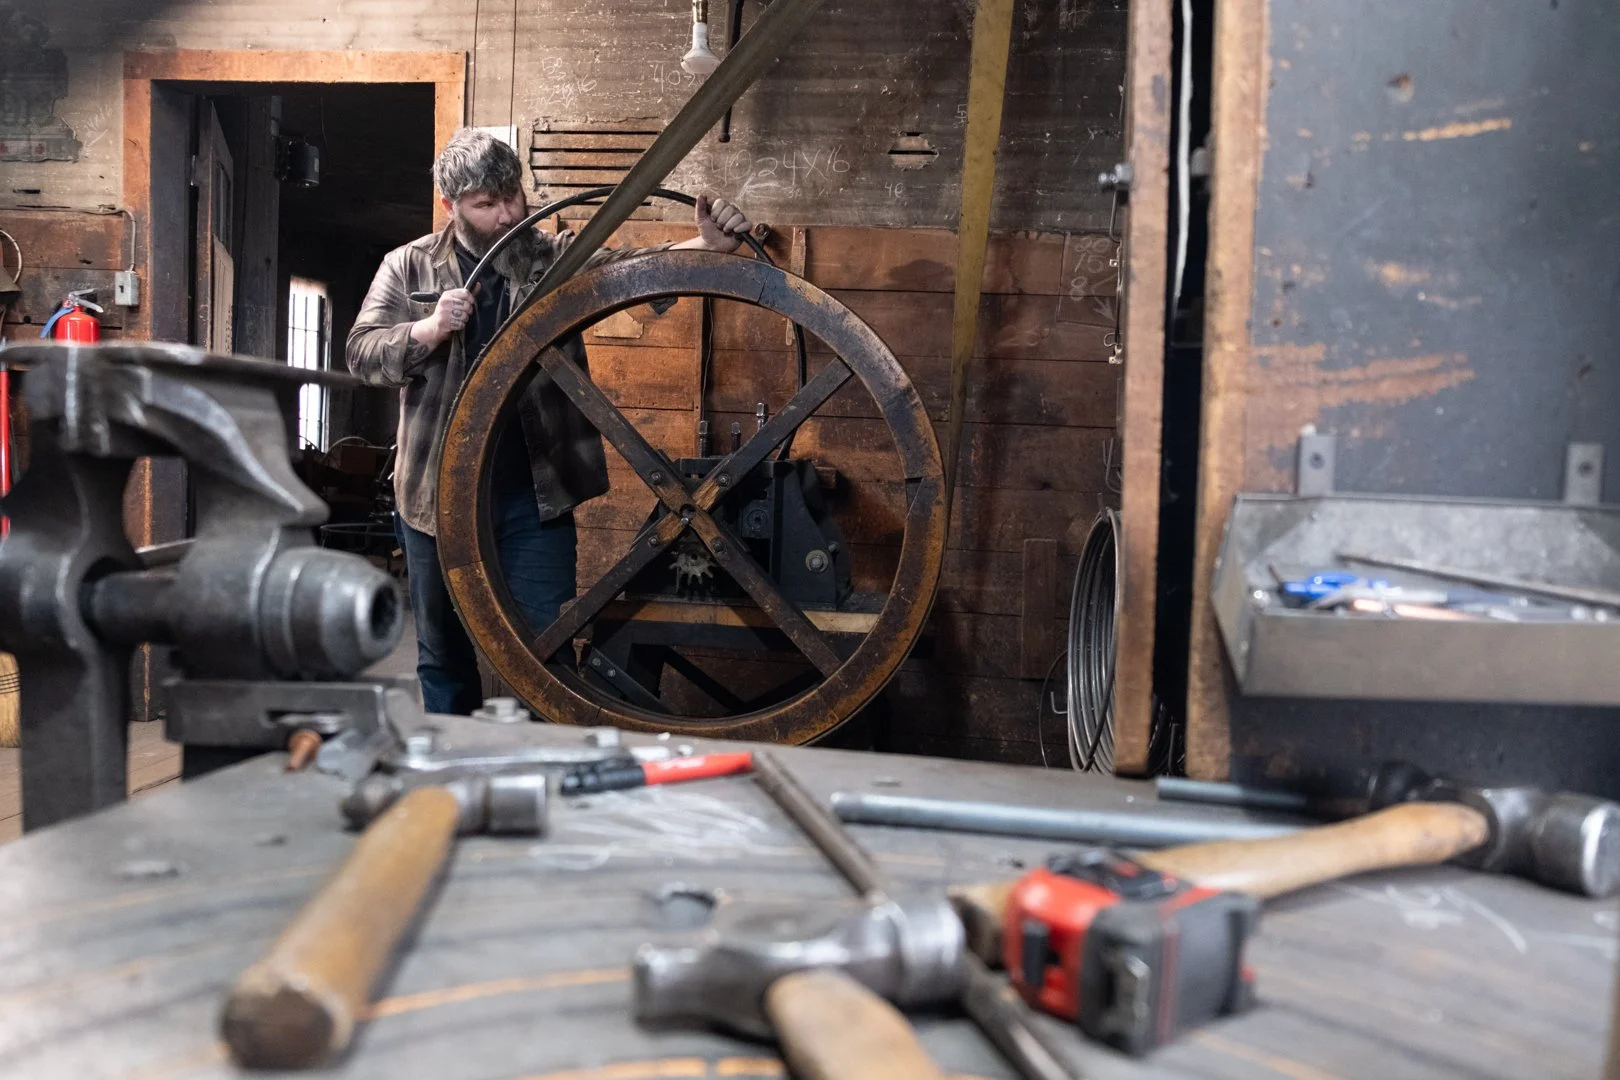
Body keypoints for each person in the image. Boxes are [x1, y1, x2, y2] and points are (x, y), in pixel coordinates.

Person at [347, 128, 751, 715]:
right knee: (443, 655)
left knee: (550, 653)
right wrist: (427, 330)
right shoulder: (407, 267)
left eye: (512, 196)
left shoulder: (548, 258)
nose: (507, 214)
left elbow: (631, 271)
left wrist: (706, 246)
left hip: (534, 497)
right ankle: (451, 774)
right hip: (434, 498)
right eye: (487, 205)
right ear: (450, 206)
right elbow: (361, 354)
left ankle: (547, 775)